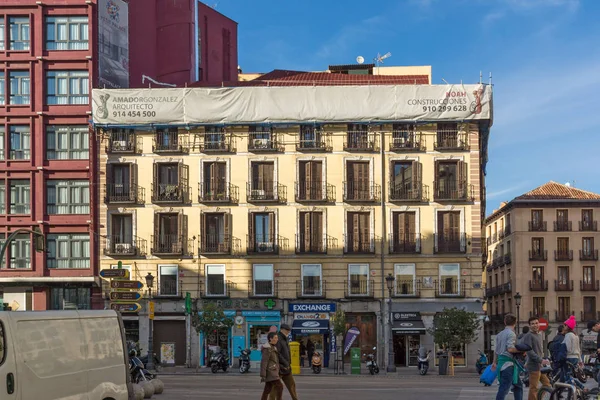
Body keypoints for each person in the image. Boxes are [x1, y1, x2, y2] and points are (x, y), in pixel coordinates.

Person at [492, 313, 524, 400]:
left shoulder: (499, 334)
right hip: (508, 365)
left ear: (504, 322)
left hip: (501, 364)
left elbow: (496, 350)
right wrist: (522, 350)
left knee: (518, 386)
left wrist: (494, 362)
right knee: (504, 388)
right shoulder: (511, 334)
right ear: (515, 322)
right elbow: (510, 349)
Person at [521, 316, 550, 400]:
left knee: (547, 384)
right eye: (532, 324)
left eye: (536, 323)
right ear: (529, 325)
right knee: (533, 387)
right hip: (533, 365)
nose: (535, 325)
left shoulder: (539, 334)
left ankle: (538, 397)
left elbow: (539, 350)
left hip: (539, 366)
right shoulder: (528, 336)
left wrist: (543, 359)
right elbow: (529, 351)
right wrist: (541, 360)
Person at [269, 324, 298, 400]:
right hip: (279, 367)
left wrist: (288, 364)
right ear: (282, 329)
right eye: (287, 330)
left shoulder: (284, 339)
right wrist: (285, 363)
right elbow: (277, 353)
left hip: (286, 368)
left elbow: (286, 352)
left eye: (289, 330)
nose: (288, 332)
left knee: (292, 385)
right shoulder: (278, 339)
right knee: (275, 387)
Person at [260, 332, 283, 400]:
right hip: (271, 371)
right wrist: (263, 375)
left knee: (267, 389)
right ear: (270, 339)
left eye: (277, 338)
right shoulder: (267, 349)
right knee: (280, 386)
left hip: (273, 370)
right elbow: (264, 361)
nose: (277, 339)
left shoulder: (273, 347)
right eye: (275, 338)